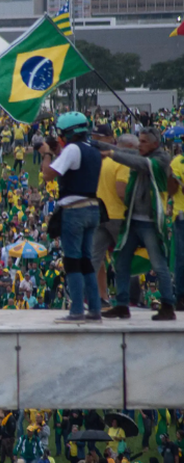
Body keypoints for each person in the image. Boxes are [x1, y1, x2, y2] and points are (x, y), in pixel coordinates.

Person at [93, 127, 176, 320]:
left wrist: (111, 154)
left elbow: (137, 161)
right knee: (122, 262)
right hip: (133, 220)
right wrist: (97, 144)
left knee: (159, 264)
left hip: (151, 222)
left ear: (155, 144)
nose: (140, 145)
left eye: (144, 142)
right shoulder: (143, 154)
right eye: (139, 141)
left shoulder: (161, 160)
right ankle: (122, 304)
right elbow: (126, 152)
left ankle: (168, 305)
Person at [38, 112, 103, 323]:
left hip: (74, 209)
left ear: (68, 132)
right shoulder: (92, 150)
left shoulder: (73, 149)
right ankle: (95, 309)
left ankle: (76, 310)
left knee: (72, 262)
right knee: (86, 261)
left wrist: (46, 154)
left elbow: (48, 174)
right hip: (93, 207)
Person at [90, 130, 134, 310]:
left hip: (100, 215)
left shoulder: (104, 162)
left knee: (95, 258)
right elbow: (121, 191)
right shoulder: (122, 162)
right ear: (129, 147)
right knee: (126, 258)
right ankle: (129, 298)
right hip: (118, 216)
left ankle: (93, 298)